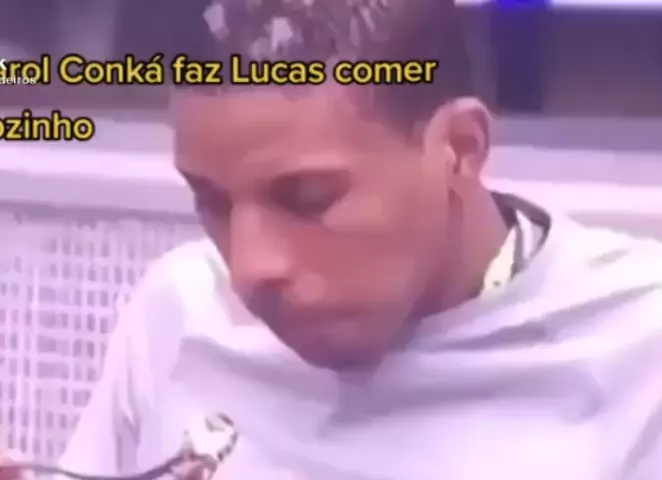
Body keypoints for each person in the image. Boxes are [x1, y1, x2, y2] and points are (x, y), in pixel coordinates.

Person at [5, 0, 662, 478]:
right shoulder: (180, 309)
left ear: (460, 150)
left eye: (308, 199)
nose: (250, 271)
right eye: (212, 201)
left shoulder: (641, 349)